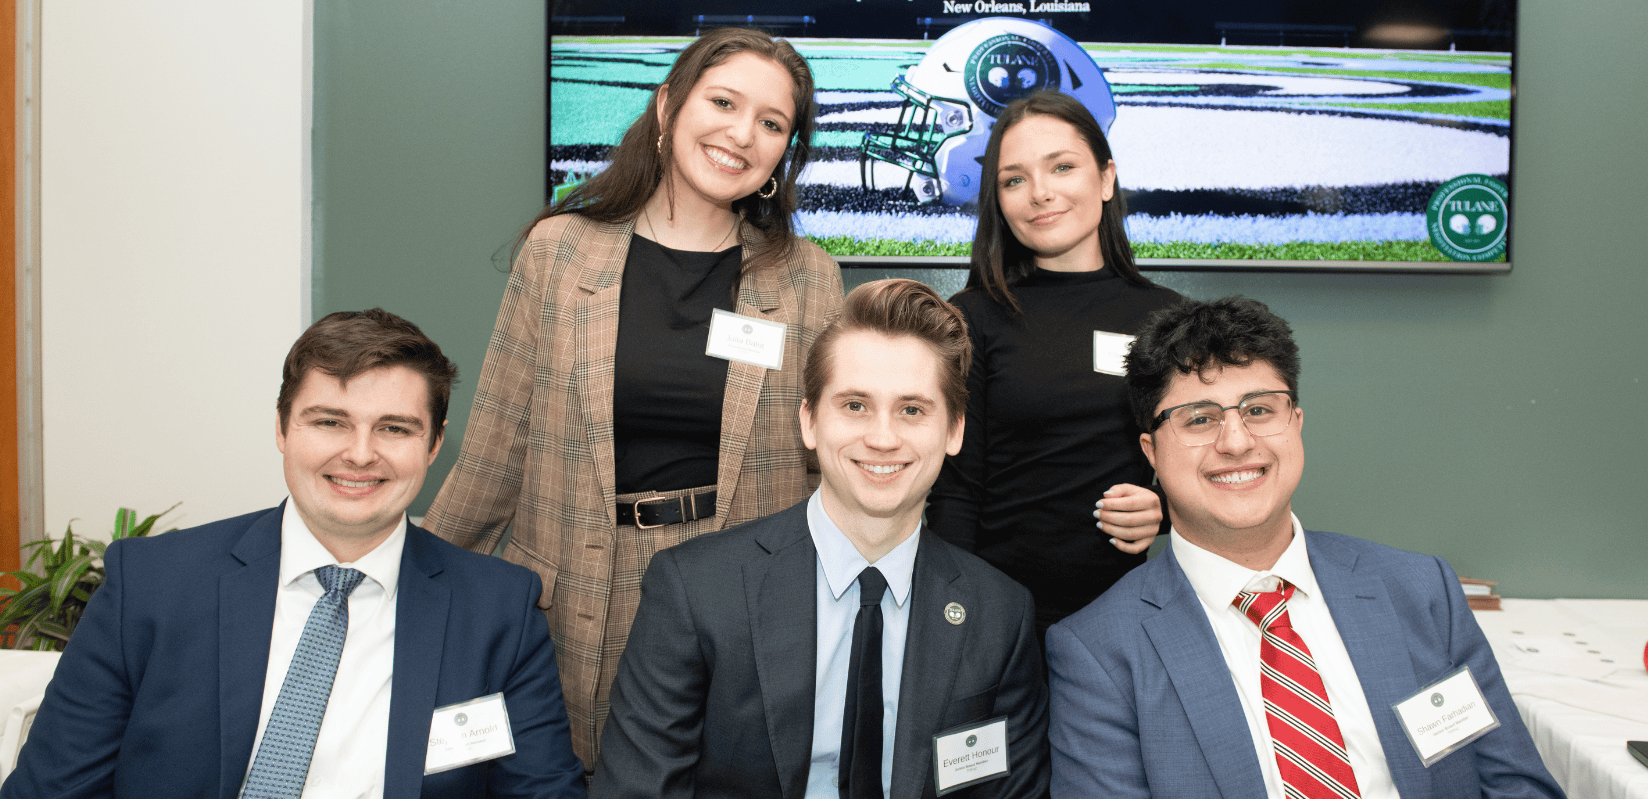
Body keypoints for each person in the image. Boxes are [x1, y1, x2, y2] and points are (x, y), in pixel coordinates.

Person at [422, 27, 845, 769]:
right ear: (666, 107)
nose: (742, 134)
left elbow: (826, 467)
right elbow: (496, 450)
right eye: (723, 102)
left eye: (772, 123)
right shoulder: (559, 252)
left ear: (786, 151)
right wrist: (409, 585)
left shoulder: (808, 277)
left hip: (734, 596)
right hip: (571, 588)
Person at [3, 308, 586, 799]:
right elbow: (50, 791)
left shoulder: (497, 610)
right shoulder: (152, 586)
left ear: (434, 445)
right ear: (282, 429)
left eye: (394, 429)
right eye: (330, 421)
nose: (360, 454)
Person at [1046, 296, 1564, 799]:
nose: (1236, 442)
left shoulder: (1421, 591)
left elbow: (1516, 785)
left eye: (1259, 410)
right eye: (1199, 419)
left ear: (1296, 423)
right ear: (1151, 451)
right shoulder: (1097, 655)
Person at [590, 280, 1049, 799]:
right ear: (809, 420)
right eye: (855, 405)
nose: (882, 437)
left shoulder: (1001, 615)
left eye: (912, 410)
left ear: (955, 430)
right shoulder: (696, 592)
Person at [928, 90, 1180, 631]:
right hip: (998, 620)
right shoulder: (971, 318)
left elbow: (1206, 457)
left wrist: (1164, 509)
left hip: (1125, 621)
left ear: (1106, 178)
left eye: (1062, 167)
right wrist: (957, 621)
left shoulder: (1169, 319)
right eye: (1014, 179)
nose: (1040, 194)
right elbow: (954, 492)